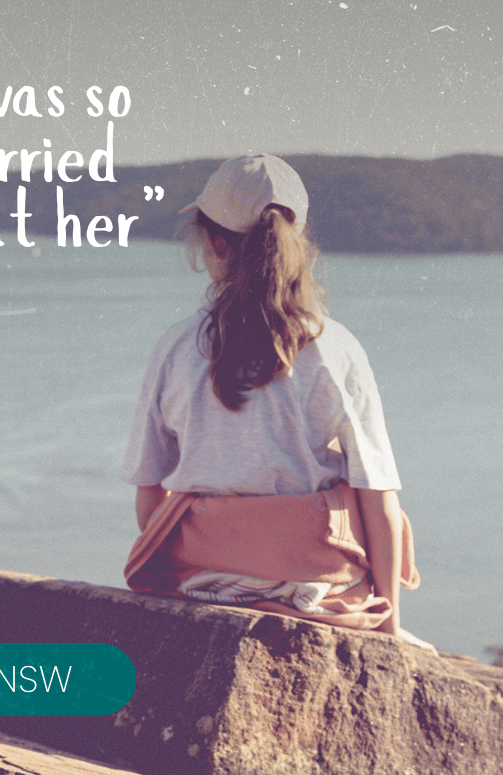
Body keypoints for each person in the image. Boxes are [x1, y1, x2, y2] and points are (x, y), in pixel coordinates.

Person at [121, 154, 434, 654]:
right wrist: (389, 628)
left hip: (204, 573)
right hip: (312, 578)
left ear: (213, 241)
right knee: (361, 493)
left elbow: (148, 495)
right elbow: (380, 500)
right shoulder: (336, 347)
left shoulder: (176, 346)